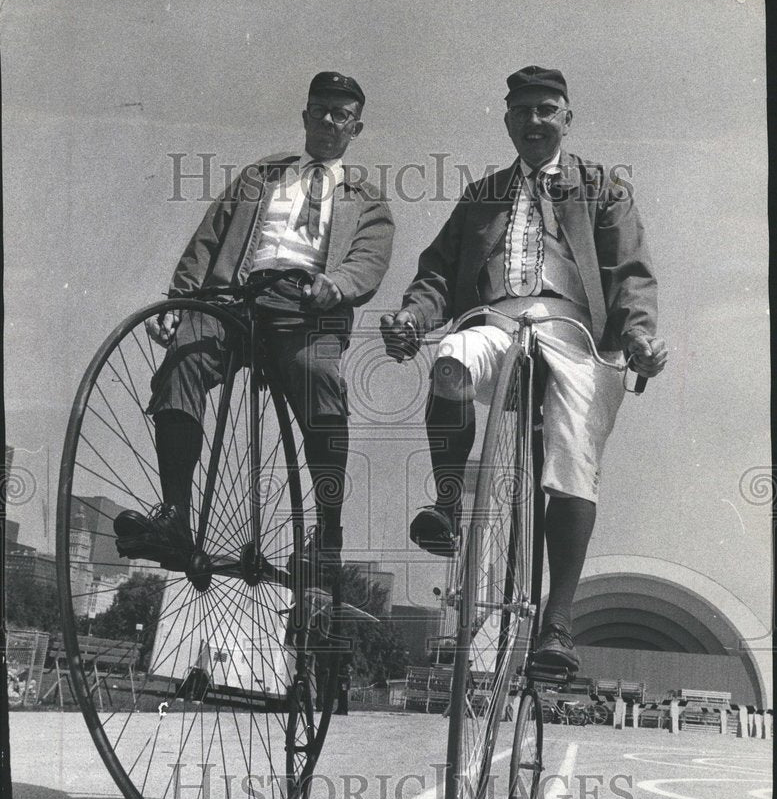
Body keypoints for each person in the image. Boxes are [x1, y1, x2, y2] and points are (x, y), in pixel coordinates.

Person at [380, 66, 667, 674]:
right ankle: (450, 505)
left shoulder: (602, 188)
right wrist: (413, 314)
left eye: (546, 110)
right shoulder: (481, 195)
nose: (534, 121)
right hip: (494, 319)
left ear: (567, 118)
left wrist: (639, 336)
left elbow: (629, 271)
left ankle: (556, 625)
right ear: (507, 120)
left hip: (577, 333)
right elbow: (437, 270)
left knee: (570, 462)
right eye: (522, 111)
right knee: (451, 362)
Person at [114, 72, 394, 587]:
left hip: (304, 309)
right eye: (319, 110)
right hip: (234, 300)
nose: (328, 121)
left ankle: (327, 529)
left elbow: (369, 262)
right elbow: (208, 238)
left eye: (341, 115)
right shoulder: (259, 176)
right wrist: (181, 299)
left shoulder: (368, 200)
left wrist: (336, 285)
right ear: (305, 115)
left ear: (356, 128)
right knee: (185, 356)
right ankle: (175, 514)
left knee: (318, 377)